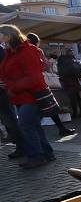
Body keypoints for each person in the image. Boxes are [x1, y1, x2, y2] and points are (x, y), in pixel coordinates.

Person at [0, 24, 55, 168]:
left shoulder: (27, 51)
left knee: (25, 125)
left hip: (31, 96)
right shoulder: (10, 52)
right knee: (34, 126)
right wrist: (5, 82)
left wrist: (12, 86)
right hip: (20, 96)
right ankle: (47, 153)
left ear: (8, 35)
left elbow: (34, 78)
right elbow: (7, 71)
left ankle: (36, 156)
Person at [25, 33, 76, 136]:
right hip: (40, 83)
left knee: (35, 109)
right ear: (37, 42)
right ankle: (60, 129)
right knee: (50, 107)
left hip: (27, 85)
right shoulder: (37, 50)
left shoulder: (20, 51)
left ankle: (33, 132)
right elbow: (45, 65)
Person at [0, 45, 24, 158]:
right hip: (5, 90)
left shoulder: (3, 51)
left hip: (3, 92)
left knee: (10, 119)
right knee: (9, 120)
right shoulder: (4, 50)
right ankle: (20, 146)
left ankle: (21, 147)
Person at [56, 48, 81, 118]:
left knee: (73, 98)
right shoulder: (73, 60)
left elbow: (61, 72)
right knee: (78, 97)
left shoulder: (61, 60)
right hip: (74, 81)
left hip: (67, 82)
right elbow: (79, 73)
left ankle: (75, 113)